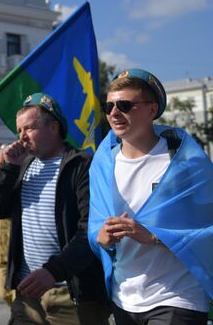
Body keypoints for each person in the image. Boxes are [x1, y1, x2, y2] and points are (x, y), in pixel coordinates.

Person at [89, 69, 213, 325]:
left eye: (124, 105)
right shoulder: (102, 163)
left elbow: (207, 229)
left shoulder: (184, 162)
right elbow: (94, 226)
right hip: (123, 298)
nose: (113, 113)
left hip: (177, 296)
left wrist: (155, 237)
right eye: (108, 105)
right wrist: (99, 237)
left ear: (152, 109)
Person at [0, 93, 111, 324]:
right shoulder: (22, 166)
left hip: (70, 293)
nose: (22, 137)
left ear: (54, 127)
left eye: (29, 128)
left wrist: (53, 271)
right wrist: (8, 169)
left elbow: (91, 230)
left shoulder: (82, 165)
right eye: (19, 130)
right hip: (27, 294)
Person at [0, 144, 15, 307]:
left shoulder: (14, 180)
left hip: (14, 249)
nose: (0, 167)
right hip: (0, 249)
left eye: (3, 163)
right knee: (3, 291)